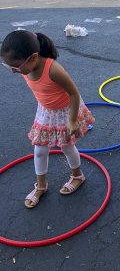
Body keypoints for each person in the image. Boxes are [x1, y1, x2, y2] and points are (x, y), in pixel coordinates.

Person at [0, 30, 95, 208]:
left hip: (65, 110)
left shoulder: (53, 69)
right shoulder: (25, 67)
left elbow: (74, 93)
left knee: (66, 146)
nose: (13, 72)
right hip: (46, 111)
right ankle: (41, 185)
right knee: (40, 150)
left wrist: (72, 120)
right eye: (8, 67)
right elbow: (37, 86)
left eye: (16, 67)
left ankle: (77, 176)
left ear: (33, 58)